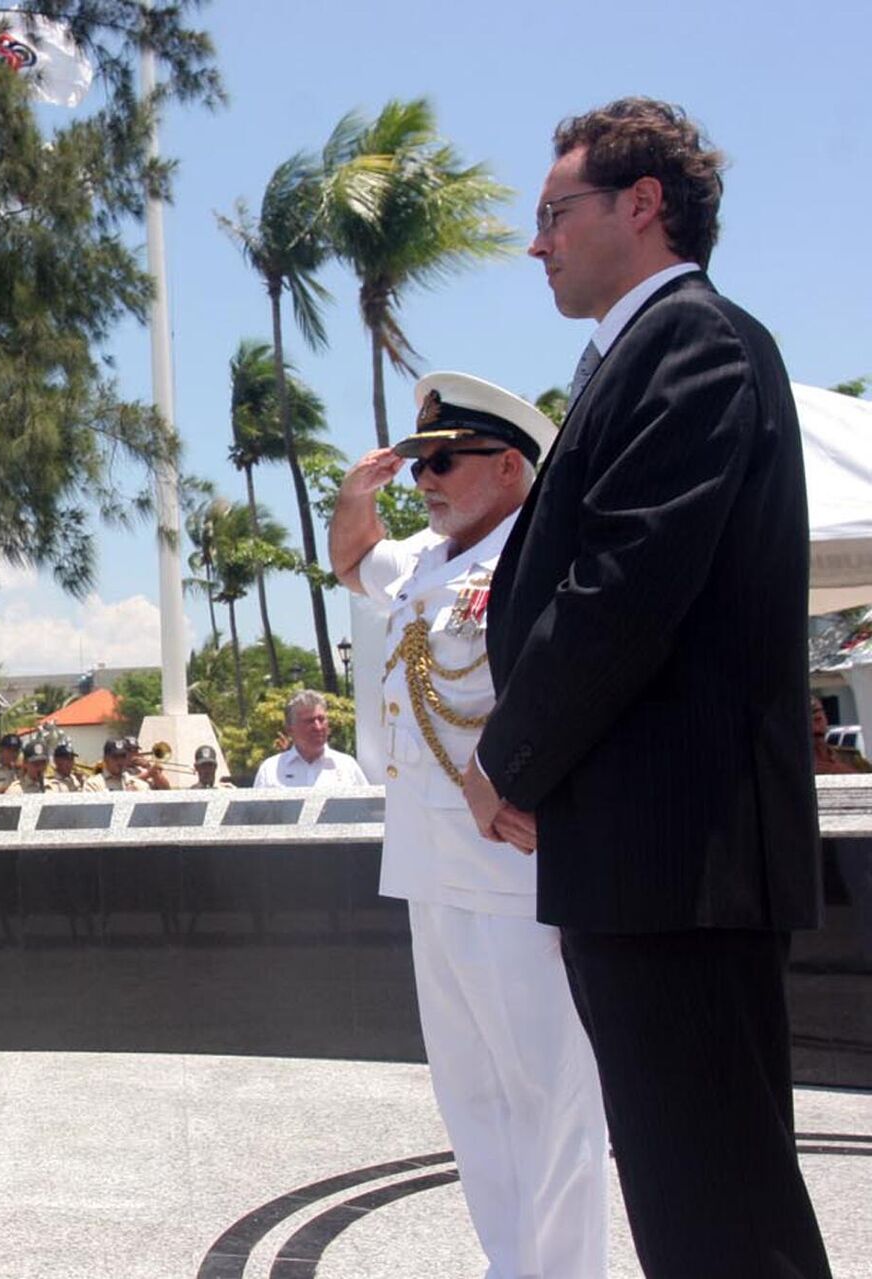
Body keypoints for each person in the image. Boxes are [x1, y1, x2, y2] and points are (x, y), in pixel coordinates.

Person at [467, 98, 830, 1277]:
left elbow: (624, 585)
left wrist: (505, 759)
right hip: (646, 861)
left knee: (722, 1214)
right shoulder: (637, 353)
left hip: (686, 866)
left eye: (553, 213)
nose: (538, 243)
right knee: (693, 1205)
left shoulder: (696, 345)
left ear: (643, 203)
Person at [332, 371, 607, 1278]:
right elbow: (350, 560)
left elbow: (582, 681)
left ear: (511, 465)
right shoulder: (421, 559)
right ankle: (512, 1262)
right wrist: (355, 491)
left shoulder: (546, 548)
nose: (426, 481)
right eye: (417, 464)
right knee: (471, 1092)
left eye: (444, 461)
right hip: (425, 859)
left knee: (551, 1093)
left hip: (512, 862)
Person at [250, 691, 368, 788]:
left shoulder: (347, 766)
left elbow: (368, 811)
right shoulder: (270, 770)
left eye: (321, 719)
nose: (317, 727)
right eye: (309, 721)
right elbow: (257, 815)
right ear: (290, 729)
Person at [813, 697, 870, 775]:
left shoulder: (851, 758)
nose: (817, 726)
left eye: (818, 718)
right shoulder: (796, 763)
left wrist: (843, 771)